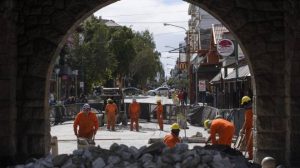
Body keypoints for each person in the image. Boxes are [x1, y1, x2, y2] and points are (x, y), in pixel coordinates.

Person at [240, 95, 253, 160]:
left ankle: (251, 156)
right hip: (252, 128)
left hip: (249, 129)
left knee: (249, 142)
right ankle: (251, 155)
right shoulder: (252, 109)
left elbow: (247, 121)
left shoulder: (248, 111)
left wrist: (242, 129)